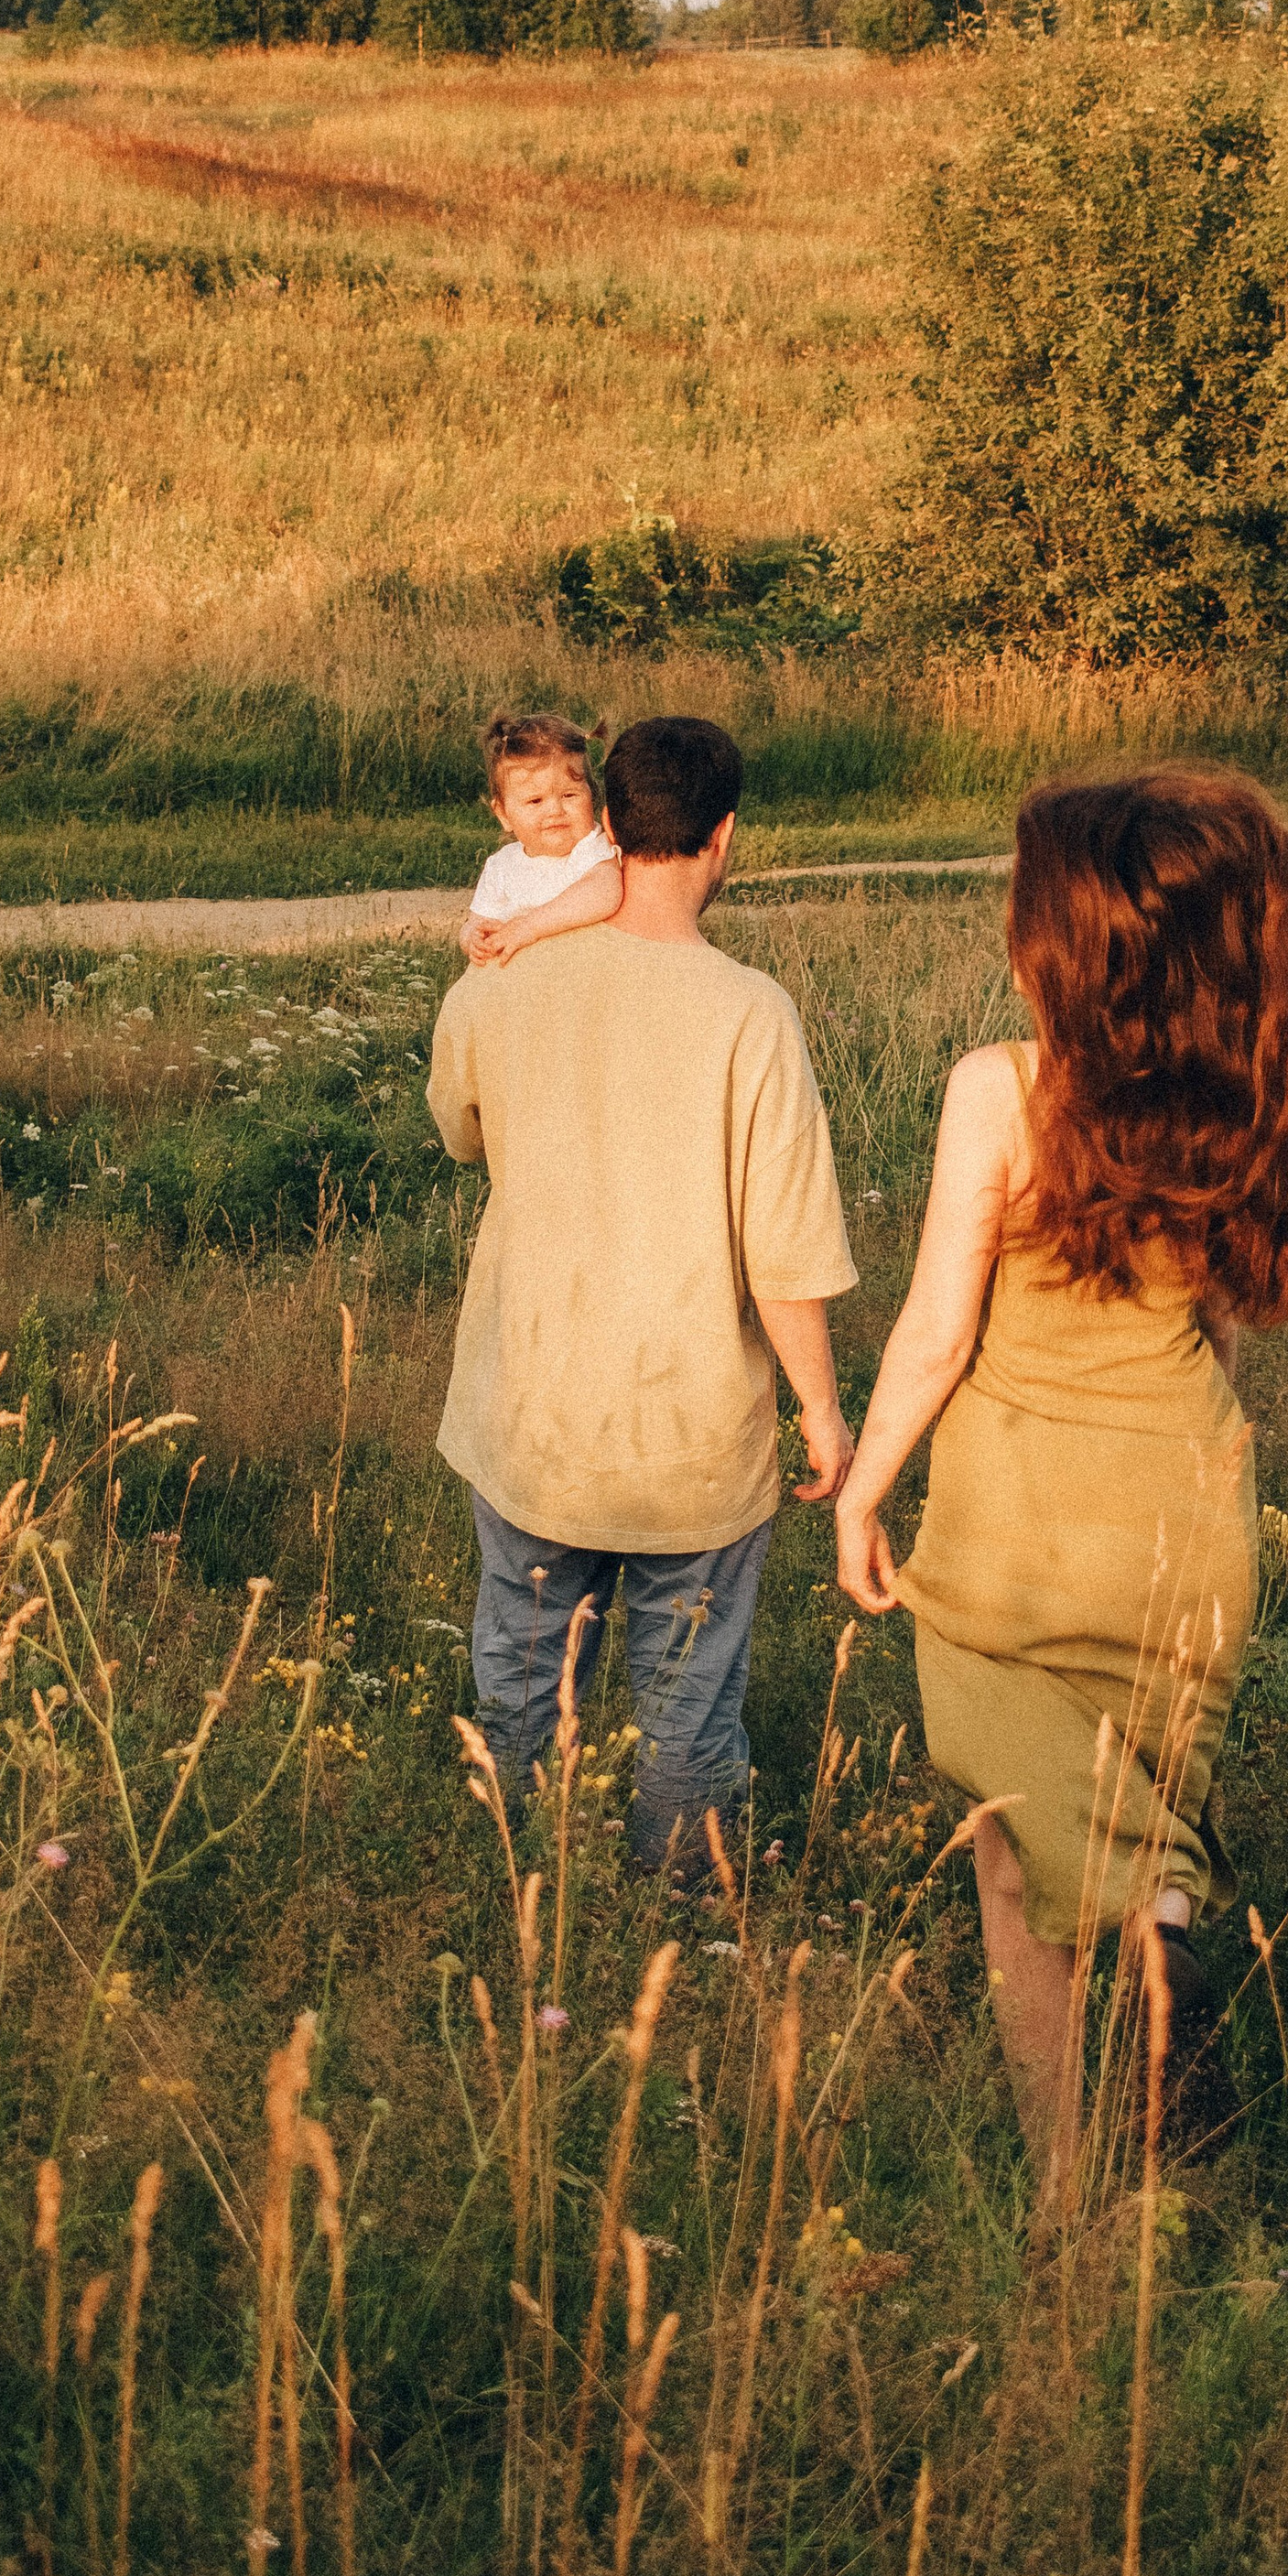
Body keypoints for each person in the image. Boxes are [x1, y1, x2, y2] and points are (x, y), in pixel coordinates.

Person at [834, 769, 1288, 2183]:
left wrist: (860, 1487)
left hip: (1013, 1534)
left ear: (1079, 945)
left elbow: (936, 1327)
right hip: (1182, 1517)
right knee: (1141, 1837)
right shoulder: (1245, 1095)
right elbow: (1213, 1320)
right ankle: (1151, 2071)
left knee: (1020, 1861)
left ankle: (1081, 2183)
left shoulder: (1002, 1091)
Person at [429, 714, 858, 1868]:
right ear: (725, 837)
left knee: (521, 1673)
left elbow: (458, 1133)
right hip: (692, 1438)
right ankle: (676, 1899)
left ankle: (513, 1881)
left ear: (609, 825)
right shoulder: (750, 1011)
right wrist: (821, 1413)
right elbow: (787, 1258)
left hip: (531, 1411)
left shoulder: (500, 977)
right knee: (686, 1699)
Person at [458, 710, 625, 968]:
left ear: (591, 794)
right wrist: (472, 938)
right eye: (535, 801)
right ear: (503, 814)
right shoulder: (502, 866)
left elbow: (605, 892)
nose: (555, 811)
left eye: (569, 795)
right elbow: (477, 920)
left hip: (579, 974)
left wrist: (530, 926)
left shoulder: (590, 848)